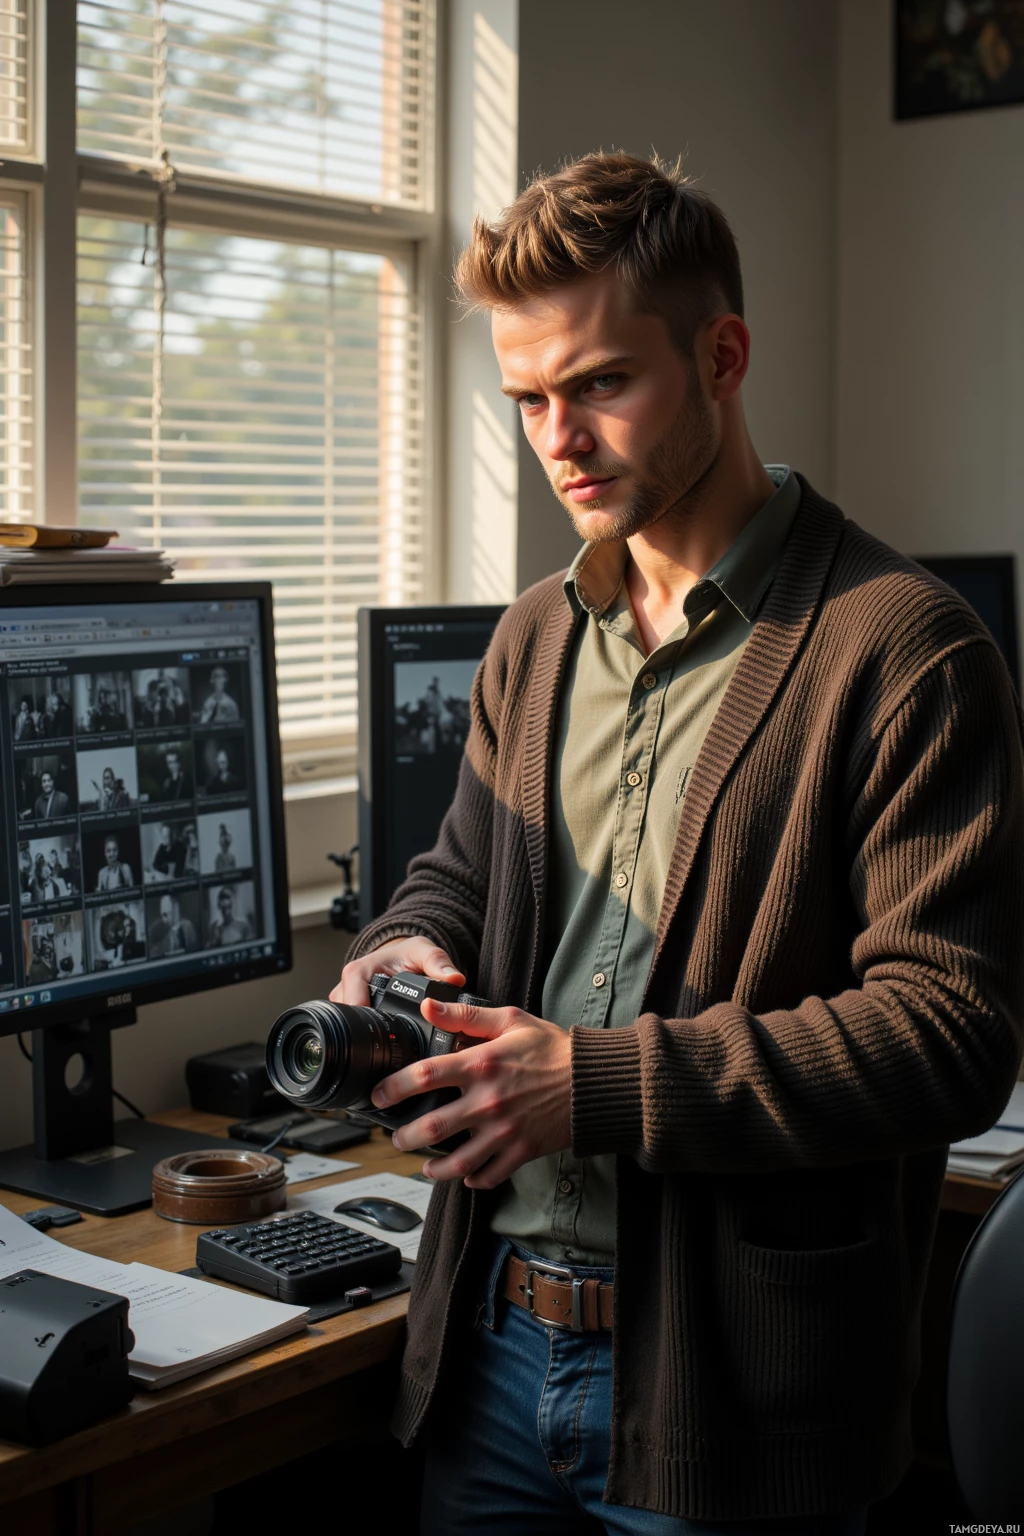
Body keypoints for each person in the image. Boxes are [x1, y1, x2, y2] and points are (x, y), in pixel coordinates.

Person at [336, 154, 1024, 1533]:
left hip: (741, 1401)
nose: (557, 437)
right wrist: (403, 946)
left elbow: (950, 1032)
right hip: (489, 1350)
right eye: (528, 398)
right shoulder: (536, 635)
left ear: (722, 355)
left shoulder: (905, 649)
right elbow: (458, 877)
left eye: (599, 384)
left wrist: (592, 1086)